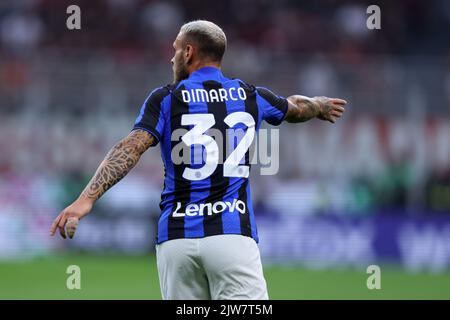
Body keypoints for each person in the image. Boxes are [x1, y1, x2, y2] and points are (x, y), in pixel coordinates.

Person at [50, 20, 346, 300]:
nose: (172, 58)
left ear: (188, 52)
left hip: (176, 241)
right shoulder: (251, 96)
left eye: (175, 49)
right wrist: (319, 106)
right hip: (231, 237)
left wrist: (86, 199)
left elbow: (130, 148)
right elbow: (295, 107)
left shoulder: (165, 98)